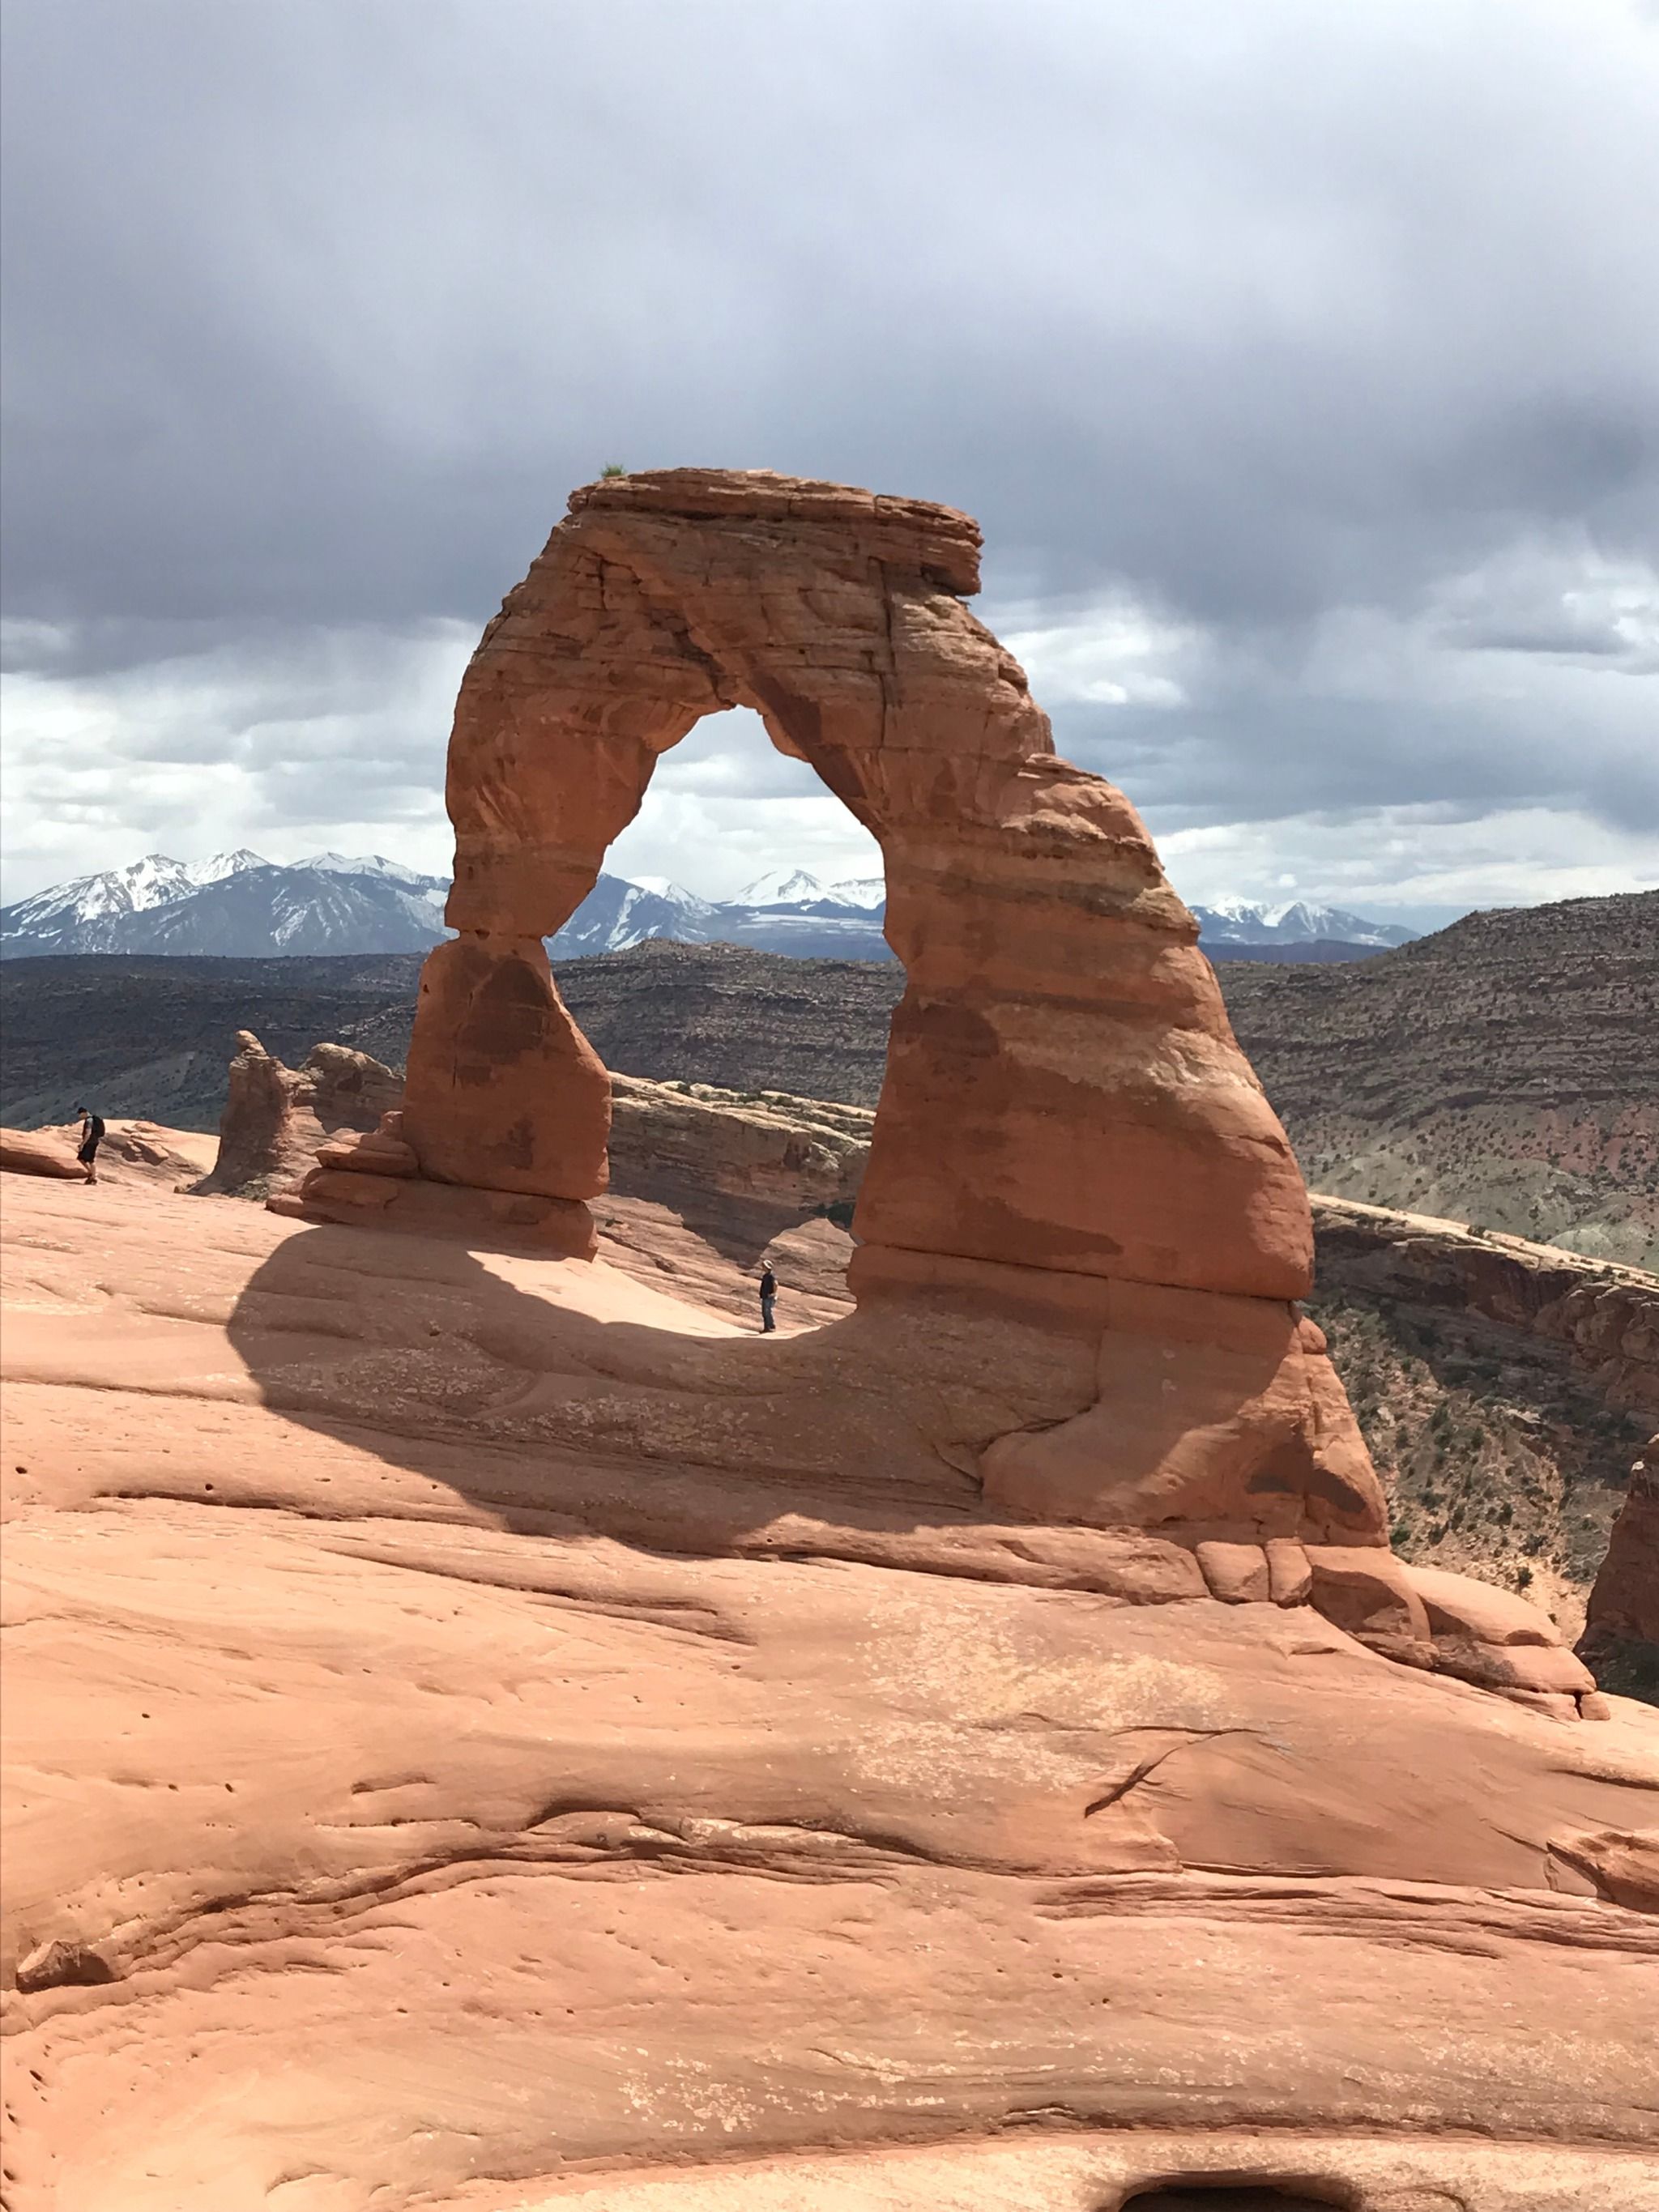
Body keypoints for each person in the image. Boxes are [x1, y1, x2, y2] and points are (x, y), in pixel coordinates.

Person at [72, 1104, 105, 1184]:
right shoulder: (93, 1119)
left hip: (89, 1142)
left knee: (83, 1158)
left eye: (80, 1114)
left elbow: (88, 1133)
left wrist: (83, 1143)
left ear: (84, 1113)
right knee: (89, 1159)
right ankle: (92, 1175)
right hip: (95, 1141)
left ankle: (93, 1175)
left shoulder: (88, 1121)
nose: (80, 1116)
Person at [757, 1265, 778, 1333]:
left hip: (769, 1297)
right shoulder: (766, 1276)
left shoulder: (771, 1276)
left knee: (767, 1312)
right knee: (765, 1312)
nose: (762, 1268)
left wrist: (773, 1293)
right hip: (765, 1296)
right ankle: (768, 1327)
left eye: (764, 1266)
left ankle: (770, 1327)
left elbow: (776, 1284)